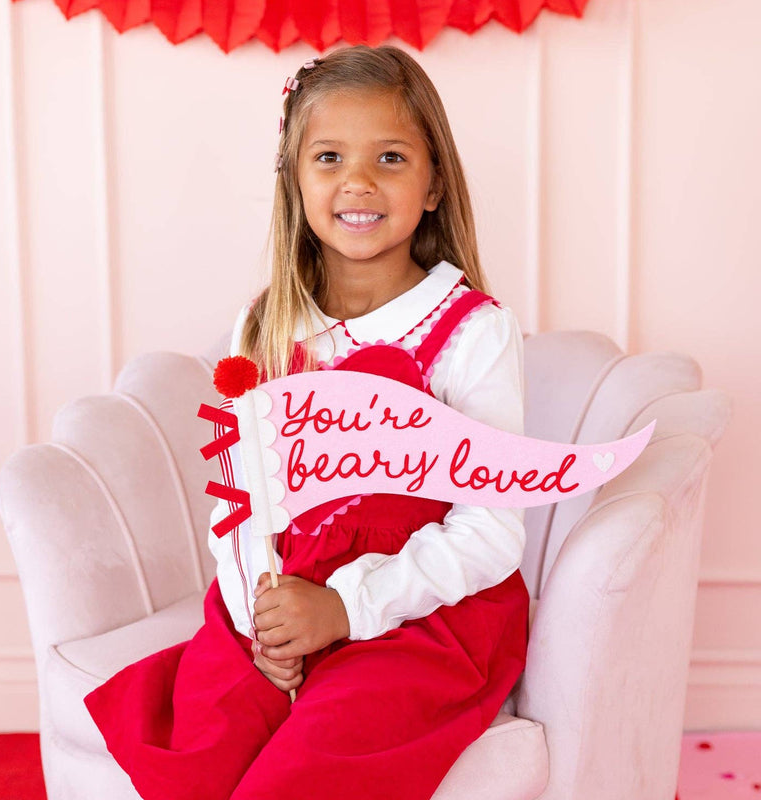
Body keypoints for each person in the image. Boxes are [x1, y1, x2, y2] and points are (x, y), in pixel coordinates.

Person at [85, 44, 530, 800]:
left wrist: (347, 608)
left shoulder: (470, 332)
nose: (358, 181)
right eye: (329, 156)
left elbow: (493, 532)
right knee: (206, 741)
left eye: (390, 157)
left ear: (433, 185)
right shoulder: (266, 325)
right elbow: (239, 498)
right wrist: (261, 614)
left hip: (416, 614)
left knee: (314, 765)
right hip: (284, 594)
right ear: (296, 178)